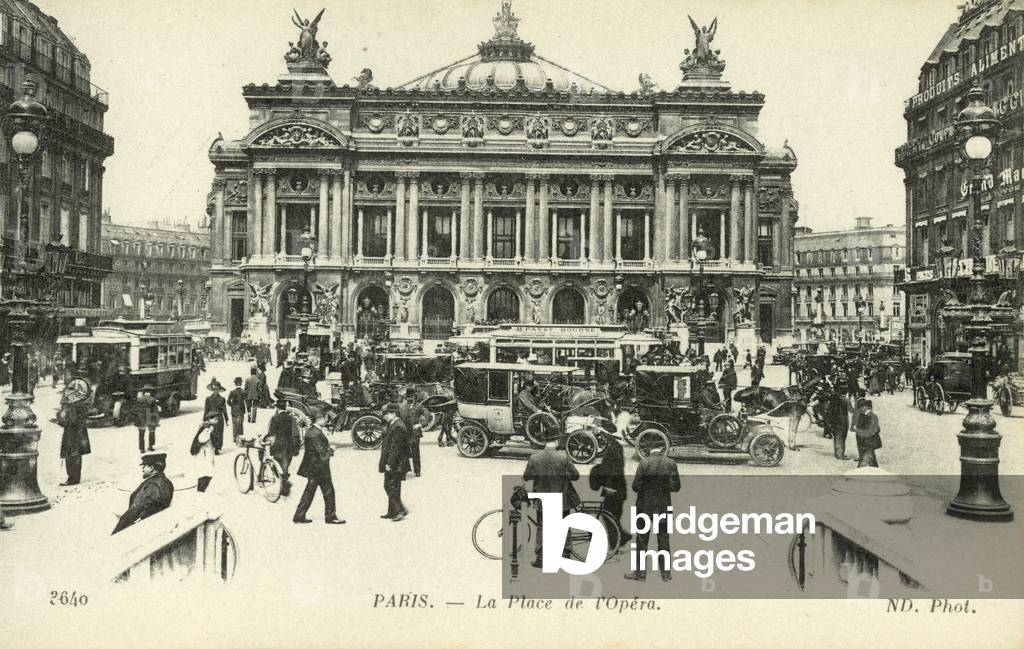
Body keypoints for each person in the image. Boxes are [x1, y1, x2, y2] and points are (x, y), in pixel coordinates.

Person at [625, 444, 680, 582]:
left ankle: (640, 574)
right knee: (663, 540)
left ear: (650, 450)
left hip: (645, 507)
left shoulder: (644, 463)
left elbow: (635, 486)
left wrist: (647, 488)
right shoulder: (670, 463)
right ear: (661, 449)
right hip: (663, 507)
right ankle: (666, 574)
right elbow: (676, 486)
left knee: (642, 541)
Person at [522, 439, 580, 568]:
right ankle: (565, 555)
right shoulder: (564, 457)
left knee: (542, 526)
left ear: (544, 442)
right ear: (557, 441)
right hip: (562, 498)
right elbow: (575, 476)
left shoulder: (534, 458)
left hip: (543, 499)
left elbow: (527, 476)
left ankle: (541, 558)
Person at [293, 408, 345, 525]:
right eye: (324, 418)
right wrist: (331, 450)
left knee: (309, 492)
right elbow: (321, 453)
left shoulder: (313, 431)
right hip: (319, 469)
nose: (326, 420)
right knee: (328, 492)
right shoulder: (314, 434)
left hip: (314, 468)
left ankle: (299, 515)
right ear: (319, 419)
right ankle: (330, 517)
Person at [112, 452, 174, 534]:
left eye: (144, 466)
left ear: (152, 468)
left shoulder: (153, 485)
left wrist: (119, 528)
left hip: (140, 529)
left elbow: (138, 509)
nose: (142, 469)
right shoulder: (166, 482)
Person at [588, 431, 630, 548]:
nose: (602, 437)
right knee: (612, 516)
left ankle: (616, 542)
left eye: (604, 435)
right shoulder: (615, 447)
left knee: (609, 515)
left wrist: (608, 487)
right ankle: (620, 539)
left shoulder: (613, 449)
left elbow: (613, 471)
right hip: (618, 489)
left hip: (613, 489)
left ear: (609, 436)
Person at [379, 403, 411, 521]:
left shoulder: (398, 426)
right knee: (393, 486)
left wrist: (389, 464)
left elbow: (395, 448)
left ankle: (400, 510)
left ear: (393, 413)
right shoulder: (394, 424)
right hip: (395, 462)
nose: (384, 417)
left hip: (396, 463)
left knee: (389, 486)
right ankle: (392, 511)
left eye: (386, 414)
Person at [58, 382, 92, 486]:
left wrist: (62, 417)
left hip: (72, 432)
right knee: (75, 454)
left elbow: (69, 420)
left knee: (72, 454)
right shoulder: (80, 402)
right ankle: (74, 477)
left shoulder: (72, 405)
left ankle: (72, 478)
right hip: (79, 431)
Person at [266, 399, 300, 495]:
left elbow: (271, 434)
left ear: (277, 407)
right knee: (285, 468)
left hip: (278, 447)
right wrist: (296, 448)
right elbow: (296, 434)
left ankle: (283, 486)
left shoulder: (275, 418)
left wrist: (264, 439)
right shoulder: (292, 418)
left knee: (277, 467)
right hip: (288, 447)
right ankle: (284, 486)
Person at [399, 387, 427, 477]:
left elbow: (428, 414)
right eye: (408, 397)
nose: (410, 399)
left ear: (415, 397)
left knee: (415, 452)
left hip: (415, 433)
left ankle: (417, 470)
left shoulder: (419, 406)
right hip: (404, 433)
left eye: (412, 397)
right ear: (406, 397)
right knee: (404, 452)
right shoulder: (401, 406)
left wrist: (421, 424)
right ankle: (404, 470)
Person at [190, 414, 218, 492]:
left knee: (208, 472)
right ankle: (201, 489)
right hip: (204, 454)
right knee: (206, 472)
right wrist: (209, 432)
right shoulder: (206, 428)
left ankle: (202, 488)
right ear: (208, 420)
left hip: (207, 453)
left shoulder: (208, 427)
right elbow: (201, 439)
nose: (216, 420)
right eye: (213, 418)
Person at [851, 398, 882, 467]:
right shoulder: (864, 415)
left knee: (865, 463)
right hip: (865, 444)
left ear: (865, 407)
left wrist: (858, 430)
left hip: (868, 444)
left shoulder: (872, 416)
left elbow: (872, 431)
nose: (860, 410)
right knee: (870, 462)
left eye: (861, 408)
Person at [203, 378, 229, 453]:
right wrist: (204, 419)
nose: (215, 391)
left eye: (217, 389)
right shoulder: (208, 399)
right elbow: (206, 409)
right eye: (214, 389)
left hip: (217, 418)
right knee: (212, 432)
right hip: (213, 418)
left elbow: (224, 410)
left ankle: (217, 447)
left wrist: (227, 420)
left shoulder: (221, 399)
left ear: (219, 390)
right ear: (212, 390)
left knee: (219, 432)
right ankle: (215, 447)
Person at [131, 388, 161, 453]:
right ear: (150, 392)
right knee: (151, 432)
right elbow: (155, 411)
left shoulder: (139, 399)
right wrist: (156, 420)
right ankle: (150, 446)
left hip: (141, 418)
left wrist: (136, 418)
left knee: (141, 434)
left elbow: (134, 410)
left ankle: (142, 449)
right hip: (150, 417)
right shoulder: (153, 399)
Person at [829, 389, 851, 461]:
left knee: (837, 437)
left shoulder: (834, 400)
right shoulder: (845, 400)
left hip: (835, 420)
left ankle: (838, 453)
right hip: (843, 421)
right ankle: (840, 454)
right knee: (842, 437)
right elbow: (851, 409)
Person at [227, 377, 247, 445]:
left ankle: (235, 438)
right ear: (241, 383)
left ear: (235, 383)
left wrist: (232, 405)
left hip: (234, 410)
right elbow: (246, 401)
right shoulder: (244, 392)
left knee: (234, 423)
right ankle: (240, 437)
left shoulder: (232, 392)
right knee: (240, 424)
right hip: (241, 409)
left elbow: (228, 401)